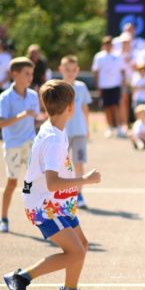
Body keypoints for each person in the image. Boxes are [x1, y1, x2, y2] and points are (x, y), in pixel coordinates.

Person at [3, 79, 101, 290]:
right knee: (74, 251)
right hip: (44, 205)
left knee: (82, 245)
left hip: (56, 202)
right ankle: (21, 277)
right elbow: (52, 182)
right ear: (70, 107)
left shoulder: (54, 128)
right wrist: (85, 180)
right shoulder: (54, 139)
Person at [0, 57, 39, 233]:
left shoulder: (33, 95)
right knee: (12, 183)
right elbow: (1, 123)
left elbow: (37, 120)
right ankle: (4, 218)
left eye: (32, 74)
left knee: (36, 180)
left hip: (31, 143)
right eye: (27, 73)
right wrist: (22, 115)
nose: (30, 77)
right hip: (13, 145)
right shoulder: (5, 97)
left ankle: (42, 217)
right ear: (15, 74)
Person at [59, 55, 92, 210]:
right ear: (61, 70)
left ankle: (79, 194)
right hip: (62, 133)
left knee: (78, 164)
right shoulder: (57, 87)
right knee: (62, 165)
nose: (70, 72)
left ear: (77, 70)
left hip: (79, 131)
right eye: (67, 69)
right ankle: (63, 195)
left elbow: (85, 109)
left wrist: (87, 128)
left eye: (73, 70)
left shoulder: (81, 87)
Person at [92, 36, 125, 138]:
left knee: (116, 106)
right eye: (106, 44)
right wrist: (98, 85)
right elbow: (96, 71)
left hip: (115, 85)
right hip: (104, 86)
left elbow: (122, 70)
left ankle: (119, 127)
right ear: (103, 45)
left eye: (109, 44)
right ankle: (110, 127)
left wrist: (122, 84)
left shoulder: (118, 56)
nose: (108, 46)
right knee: (107, 107)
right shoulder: (99, 56)